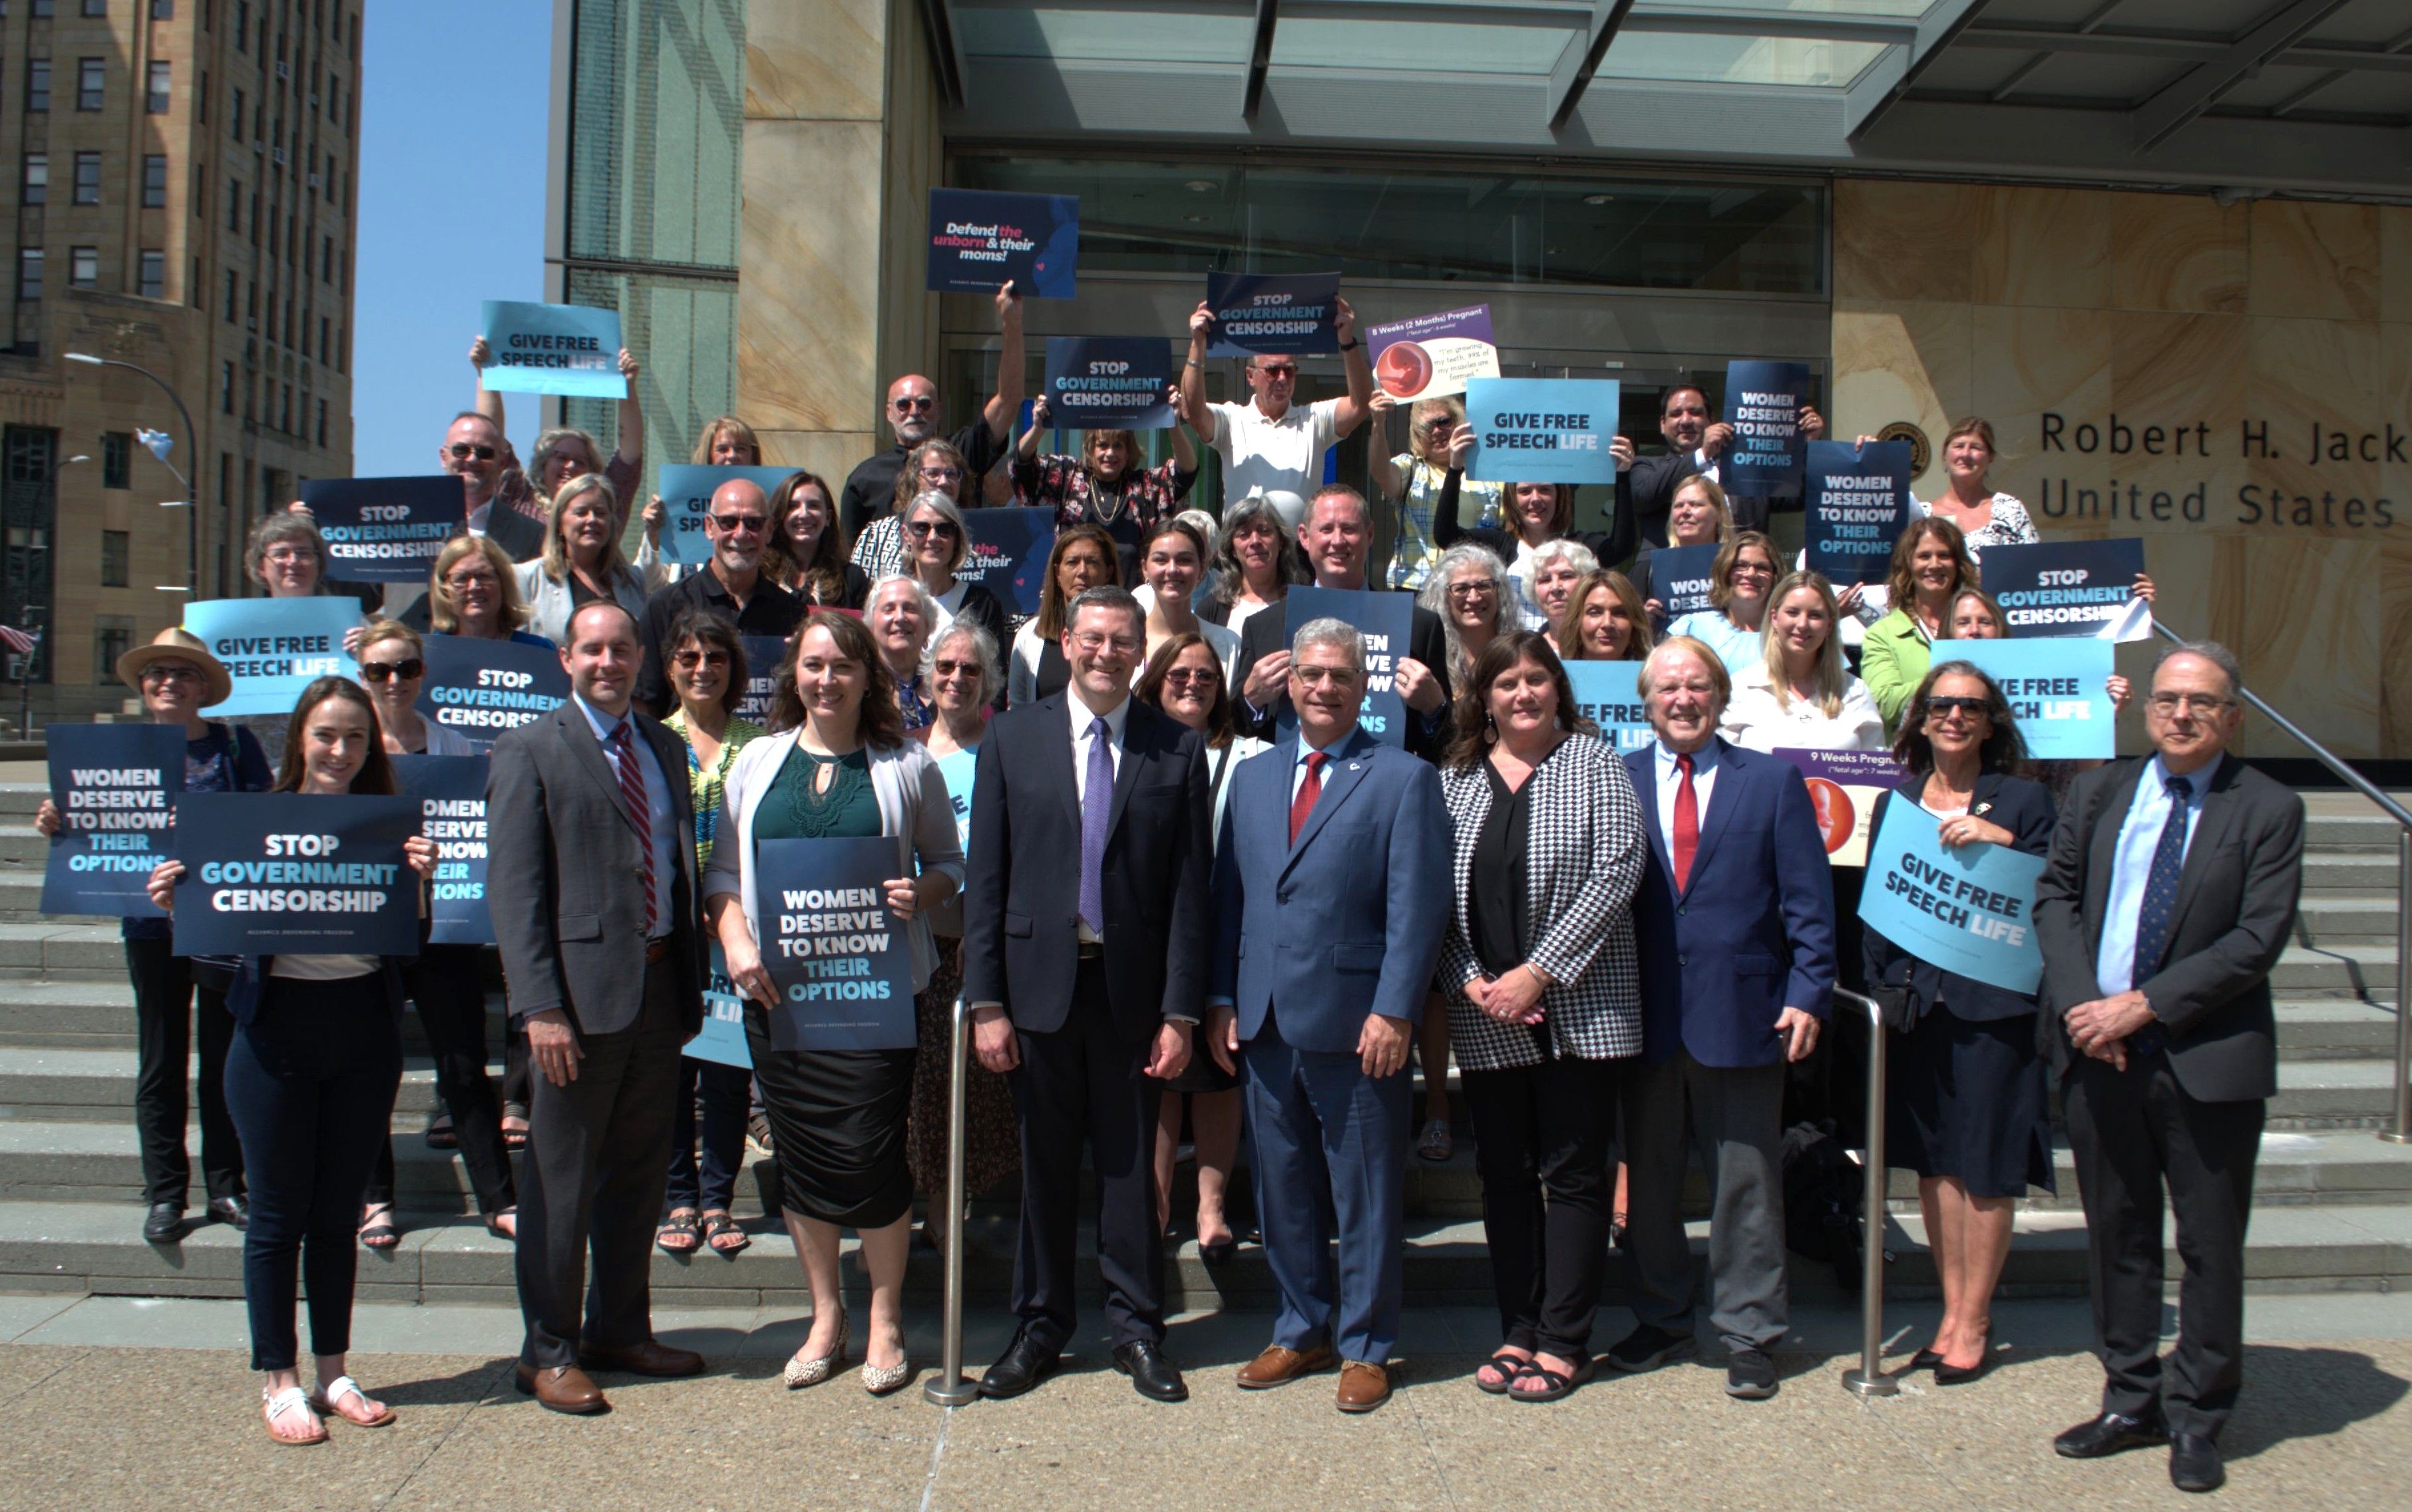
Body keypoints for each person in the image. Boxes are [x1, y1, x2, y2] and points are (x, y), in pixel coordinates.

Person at [2036, 642, 2304, 1495]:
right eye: (2166, 699)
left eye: (2201, 701)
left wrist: (2143, 1006)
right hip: (2099, 1054)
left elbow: (2256, 938)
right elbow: (2055, 898)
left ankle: (2199, 1416)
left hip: (2205, 1059)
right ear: (2145, 707)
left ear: (2234, 716)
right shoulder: (2101, 791)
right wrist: (2087, 1008)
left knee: (2209, 1245)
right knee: (2116, 1235)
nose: (2181, 714)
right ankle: (2130, 1397)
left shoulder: (2269, 807)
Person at [144, 676, 438, 1443]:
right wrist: (181, 905)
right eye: (326, 735)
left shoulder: (385, 826)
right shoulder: (249, 821)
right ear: (299, 740)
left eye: (355, 737)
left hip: (363, 1031)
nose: (341, 750)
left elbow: (413, 945)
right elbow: (215, 953)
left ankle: (334, 1371)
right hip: (273, 1034)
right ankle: (279, 1379)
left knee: (338, 1215)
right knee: (276, 1214)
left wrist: (420, 885)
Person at [960, 586, 1212, 1406]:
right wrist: (986, 1003)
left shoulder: (1177, 748)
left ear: (1141, 651)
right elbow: (986, 879)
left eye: (1122, 641)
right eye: (1093, 638)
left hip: (1132, 996)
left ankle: (1136, 1327)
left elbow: (1190, 894)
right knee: (1044, 1169)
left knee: (1130, 1172)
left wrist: (1180, 1011)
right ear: (1067, 642)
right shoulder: (1013, 735)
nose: (1107, 652)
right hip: (1036, 991)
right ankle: (1040, 1325)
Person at [706, 611, 963, 1396]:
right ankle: (826, 1314)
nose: (827, 679)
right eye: (814, 664)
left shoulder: (906, 764)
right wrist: (736, 943)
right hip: (780, 999)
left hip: (874, 999)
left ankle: (885, 1315)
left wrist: (919, 893)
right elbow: (723, 876)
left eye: (843, 666)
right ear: (794, 674)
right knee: (803, 1158)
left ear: (868, 678)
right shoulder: (756, 762)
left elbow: (950, 864)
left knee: (872, 1153)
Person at [1205, 617, 1451, 1414]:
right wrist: (1222, 997)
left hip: (1359, 1024)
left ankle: (1368, 1345)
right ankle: (1300, 1327)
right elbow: (1231, 898)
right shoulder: (1253, 778)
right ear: (1289, 683)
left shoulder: (1404, 778)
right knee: (1283, 1189)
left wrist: (1396, 1010)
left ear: (1362, 685)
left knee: (1366, 1193)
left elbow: (1419, 909)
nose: (1323, 687)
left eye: (1340, 675)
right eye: (1310, 673)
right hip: (1265, 1018)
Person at [488, 600, 710, 1415]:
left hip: (659, 991)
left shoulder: (665, 746)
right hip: (575, 1009)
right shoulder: (529, 749)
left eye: (622, 648)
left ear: (641, 656)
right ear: (566, 659)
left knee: (639, 1178)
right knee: (560, 1184)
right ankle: (546, 1350)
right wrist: (539, 1007)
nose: (608, 662)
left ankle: (619, 1328)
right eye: (592, 649)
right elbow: (514, 892)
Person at [1612, 636, 1835, 1401]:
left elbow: (1808, 903)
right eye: (1668, 687)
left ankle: (1750, 1331)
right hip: (1641, 1013)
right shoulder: (1616, 778)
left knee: (1746, 1183)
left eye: (1697, 684)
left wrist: (1809, 991)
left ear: (1720, 695)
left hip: (1744, 1011)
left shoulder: (1771, 782)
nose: (1683, 698)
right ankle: (1663, 1314)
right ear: (1647, 703)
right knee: (1649, 1184)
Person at [1435, 632, 1645, 1402]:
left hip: (1581, 1008)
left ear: (1558, 687)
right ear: (1485, 700)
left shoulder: (1596, 761)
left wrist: (1538, 972)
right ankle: (1517, 1327)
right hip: (1487, 1012)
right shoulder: (1454, 781)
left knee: (1575, 1173)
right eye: (1507, 683)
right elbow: (1432, 893)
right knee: (1504, 1175)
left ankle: (1563, 1339)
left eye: (1536, 679)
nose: (1523, 693)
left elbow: (1618, 867)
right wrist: (1470, 980)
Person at [31, 630, 267, 1241]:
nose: (170, 682)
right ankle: (165, 1192)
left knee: (223, 1059)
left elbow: (264, 819)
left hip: (219, 919)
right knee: (161, 1060)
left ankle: (226, 1185)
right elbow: (88, 822)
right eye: (159, 672)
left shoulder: (235, 745)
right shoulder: (117, 752)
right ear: (142, 686)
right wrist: (59, 819)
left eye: (184, 673)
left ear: (203, 688)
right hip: (146, 922)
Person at [1863, 662, 2057, 1387]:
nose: (1954, 716)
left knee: (1988, 1167)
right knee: (1937, 1164)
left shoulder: (2027, 801)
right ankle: (1949, 1314)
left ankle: (1975, 1320)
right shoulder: (1899, 802)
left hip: (1996, 1010)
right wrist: (1882, 990)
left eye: (1970, 707)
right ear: (1920, 718)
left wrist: (2000, 841)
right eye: (1942, 704)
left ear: (1990, 721)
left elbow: (2057, 888)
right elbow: (1879, 902)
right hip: (1920, 1010)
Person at [351, 621, 518, 1252]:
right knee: (370, 1066)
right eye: (379, 670)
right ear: (362, 676)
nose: (393, 680)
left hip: (444, 927)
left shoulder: (454, 748)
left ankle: (499, 1198)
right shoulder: (351, 747)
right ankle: (375, 1197)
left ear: (423, 674)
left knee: (464, 1065)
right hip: (369, 928)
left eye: (406, 668)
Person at [1135, 632, 1269, 1262]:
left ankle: (1211, 1206)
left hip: (1228, 931)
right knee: (1159, 1071)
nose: (1193, 685)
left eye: (1206, 677)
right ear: (1155, 683)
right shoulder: (1133, 747)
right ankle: (1157, 1201)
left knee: (1220, 1070)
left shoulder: (1252, 756)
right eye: (1179, 675)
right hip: (1152, 936)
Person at [904, 622, 1022, 1251]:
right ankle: (927, 1206)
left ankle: (958, 1203)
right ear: (927, 678)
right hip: (915, 942)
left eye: (970, 669)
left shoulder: (1009, 748)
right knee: (921, 1086)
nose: (956, 678)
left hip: (980, 944)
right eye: (946, 667)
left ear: (990, 681)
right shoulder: (904, 752)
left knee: (971, 1085)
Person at [653, 611, 765, 1259]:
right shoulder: (651, 740)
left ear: (733, 667)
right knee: (672, 1071)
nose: (703, 669)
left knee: (726, 1072)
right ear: (670, 666)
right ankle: (679, 1196)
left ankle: (719, 1196)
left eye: (716, 657)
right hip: (669, 936)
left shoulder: (759, 745)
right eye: (689, 657)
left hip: (733, 935)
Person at [1408, 541, 1517, 1159]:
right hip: (1442, 816)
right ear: (1442, 598)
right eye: (1460, 588)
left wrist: (1440, 709)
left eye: (1484, 586)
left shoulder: (1523, 652)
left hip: (1514, 819)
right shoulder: (1428, 656)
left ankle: (1496, 1096)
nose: (1473, 597)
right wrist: (1434, 708)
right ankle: (1439, 1106)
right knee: (1439, 972)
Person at [1229, 486, 1454, 759]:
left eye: (1349, 529)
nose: (1337, 541)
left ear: (1370, 535)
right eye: (1326, 529)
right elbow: (1231, 734)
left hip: (1385, 781)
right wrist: (1251, 700)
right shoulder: (1265, 627)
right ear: (1304, 537)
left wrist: (1435, 709)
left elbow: (1448, 746)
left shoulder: (1418, 627)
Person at [840, 284, 1026, 538]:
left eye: (924, 404)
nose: (914, 411)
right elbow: (851, 552)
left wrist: (1011, 322)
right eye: (903, 404)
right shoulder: (864, 478)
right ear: (888, 413)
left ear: (939, 410)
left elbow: (1009, 400)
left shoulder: (960, 453)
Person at [1177, 296, 1372, 527]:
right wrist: (1198, 344)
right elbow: (1192, 412)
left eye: (1289, 371)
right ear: (1250, 376)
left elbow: (1361, 405)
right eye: (1272, 371)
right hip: (1245, 546)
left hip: (1299, 548)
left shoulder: (1313, 419)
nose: (1282, 378)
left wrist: (1347, 342)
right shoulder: (1232, 420)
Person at [636, 478, 806, 717]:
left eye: (754, 523)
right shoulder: (665, 607)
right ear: (709, 527)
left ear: (769, 530)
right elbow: (645, 705)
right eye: (728, 522)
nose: (741, 533)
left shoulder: (793, 612)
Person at [1432, 429, 1630, 617]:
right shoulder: (1498, 546)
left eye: (1545, 490)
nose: (1535, 499)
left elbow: (1620, 548)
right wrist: (1455, 469)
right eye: (1525, 491)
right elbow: (1446, 537)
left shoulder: (1578, 548)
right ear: (1513, 499)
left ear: (1559, 496)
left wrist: (1622, 475)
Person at [1014, 391, 1198, 578]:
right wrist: (1038, 427)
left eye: (1118, 446)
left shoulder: (1145, 487)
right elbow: (1021, 466)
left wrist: (1174, 425)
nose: (1110, 453)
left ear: (1128, 452)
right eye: (1103, 445)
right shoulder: (1068, 478)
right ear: (1090, 449)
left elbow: (1186, 472)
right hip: (1075, 594)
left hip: (1129, 594)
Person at [471, 335, 644, 524]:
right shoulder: (519, 499)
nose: (570, 466)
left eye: (580, 461)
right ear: (543, 465)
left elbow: (630, 453)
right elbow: (491, 440)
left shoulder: (604, 505)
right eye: (561, 458)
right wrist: (485, 372)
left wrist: (627, 386)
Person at [1623, 383, 1824, 540]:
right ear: (1662, 424)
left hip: (1740, 574)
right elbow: (1644, 496)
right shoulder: (1646, 467)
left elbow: (1797, 497)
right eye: (1676, 414)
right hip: (1674, 576)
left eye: (1695, 412)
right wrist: (1703, 454)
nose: (1685, 421)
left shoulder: (1747, 469)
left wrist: (1809, 446)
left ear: (1711, 419)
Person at [1718, 571, 1884, 752]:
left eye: (1815, 615)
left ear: (1830, 624)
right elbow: (1723, 762)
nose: (1803, 624)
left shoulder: (1856, 692)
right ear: (1775, 618)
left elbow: (1873, 765)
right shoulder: (1740, 688)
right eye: (1793, 612)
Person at [1861, 518, 1979, 735]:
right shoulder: (1883, 634)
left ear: (1958, 563)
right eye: (1924, 556)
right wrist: (1944, 680)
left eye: (1944, 555)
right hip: (1912, 750)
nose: (1934, 565)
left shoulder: (1979, 626)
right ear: (1908, 565)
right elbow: (1884, 705)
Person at [1370, 393, 1500, 590]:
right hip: (1421, 587)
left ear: (1459, 422)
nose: (1437, 431)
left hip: (1477, 586)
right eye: (1427, 427)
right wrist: (1378, 424)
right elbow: (1381, 472)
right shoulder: (1412, 469)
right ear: (1417, 436)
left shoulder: (1487, 473)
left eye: (1444, 422)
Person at [514, 474, 650, 646]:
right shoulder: (527, 577)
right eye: (581, 513)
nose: (592, 520)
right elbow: (515, 649)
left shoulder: (632, 580)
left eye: (600, 513)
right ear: (559, 523)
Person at [1008, 524, 1120, 708]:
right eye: (1072, 562)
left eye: (1092, 562)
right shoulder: (1030, 635)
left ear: (1108, 572)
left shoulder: (1126, 635)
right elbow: (1017, 710)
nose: (1082, 571)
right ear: (1057, 573)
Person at [895, 490, 1010, 651]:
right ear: (906, 536)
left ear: (957, 538)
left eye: (944, 529)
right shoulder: (892, 601)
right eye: (922, 528)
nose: (933, 537)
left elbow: (994, 666)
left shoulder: (984, 604)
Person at [853, 437, 974, 584]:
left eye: (951, 474)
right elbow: (858, 591)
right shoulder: (877, 534)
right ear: (914, 479)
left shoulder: (976, 531)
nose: (944, 482)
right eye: (933, 473)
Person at [1138, 516, 1241, 686]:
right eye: (1161, 560)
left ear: (1201, 568)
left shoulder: (1229, 646)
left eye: (1184, 560)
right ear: (1145, 569)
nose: (1172, 570)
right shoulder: (1123, 641)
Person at [1666, 531, 1782, 676]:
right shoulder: (1693, 629)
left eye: (1762, 567)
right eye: (1740, 565)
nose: (1751, 574)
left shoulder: (1785, 633)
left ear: (1775, 575)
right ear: (1725, 571)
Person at [437, 410, 546, 563]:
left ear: (501, 463)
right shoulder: (414, 525)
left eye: (484, 453)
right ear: (444, 457)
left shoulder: (531, 535)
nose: (473, 459)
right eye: (461, 450)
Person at [1201, 493, 1308, 637]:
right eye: (1244, 534)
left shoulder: (1304, 603)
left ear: (1281, 541)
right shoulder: (1211, 609)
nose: (1255, 541)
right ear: (1232, 549)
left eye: (1264, 531)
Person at [1634, 472, 1735, 618]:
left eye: (1695, 505)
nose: (1685, 512)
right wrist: (1645, 621)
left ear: (1719, 513)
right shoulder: (1649, 570)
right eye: (1679, 506)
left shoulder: (1737, 568)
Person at [764, 471, 870, 609]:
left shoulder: (851, 578)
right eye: (793, 506)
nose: (804, 514)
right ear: (781, 515)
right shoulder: (761, 573)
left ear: (828, 518)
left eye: (813, 505)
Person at [425, 535, 552, 648]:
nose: (474, 586)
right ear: (444, 589)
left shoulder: (537, 650)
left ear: (503, 583)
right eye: (462, 578)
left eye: (484, 576)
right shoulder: (430, 653)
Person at [866, 575, 941, 731]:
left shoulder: (945, 681)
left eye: (910, 609)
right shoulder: (861, 686)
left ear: (927, 624)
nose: (900, 617)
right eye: (889, 609)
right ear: (871, 624)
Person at [1557, 569, 1655, 663]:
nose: (1607, 623)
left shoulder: (1654, 673)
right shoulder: (1555, 672)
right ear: (1576, 621)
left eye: (1619, 613)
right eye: (1594, 612)